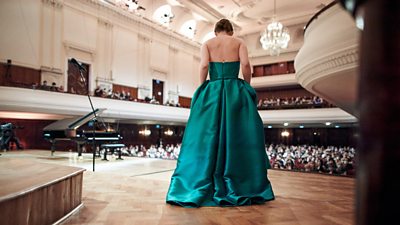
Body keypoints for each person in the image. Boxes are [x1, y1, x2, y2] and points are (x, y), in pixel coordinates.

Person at [166, 19, 275, 207]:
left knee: (206, 136)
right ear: (231, 31)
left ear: (216, 32)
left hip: (213, 92)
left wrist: (202, 87)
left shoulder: (207, 44)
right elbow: (247, 65)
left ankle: (201, 179)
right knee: (239, 134)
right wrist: (246, 85)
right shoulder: (239, 42)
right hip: (235, 92)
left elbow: (203, 66)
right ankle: (238, 181)